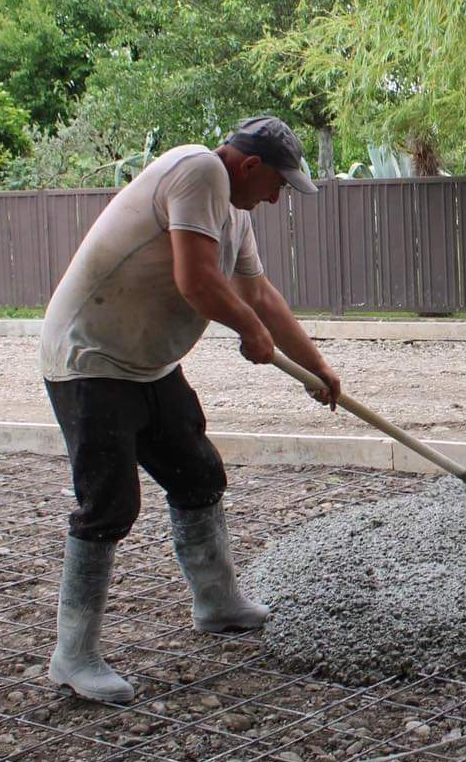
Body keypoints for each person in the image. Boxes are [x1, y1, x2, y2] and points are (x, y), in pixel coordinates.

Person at [38, 115, 343, 703]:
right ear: (249, 166)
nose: (278, 197)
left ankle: (217, 603)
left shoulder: (233, 211)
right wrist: (249, 332)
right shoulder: (198, 170)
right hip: (91, 360)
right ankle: (73, 655)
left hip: (148, 363)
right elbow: (196, 280)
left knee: (197, 473)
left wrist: (315, 367)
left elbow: (258, 293)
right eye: (277, 183)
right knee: (109, 502)